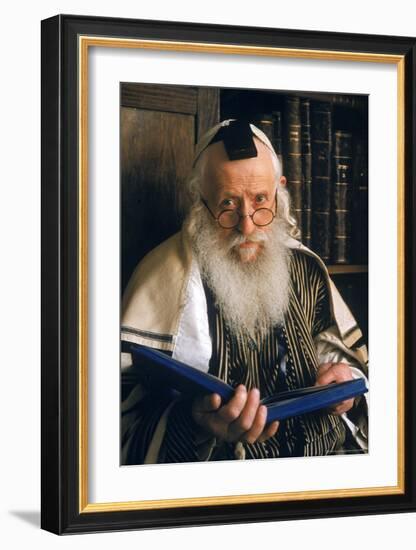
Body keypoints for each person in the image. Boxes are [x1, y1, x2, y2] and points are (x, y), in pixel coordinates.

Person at [121, 119, 368, 464]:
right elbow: (118, 416)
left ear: (279, 192)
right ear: (199, 200)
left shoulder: (306, 267)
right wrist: (195, 422)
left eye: (260, 200)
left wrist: (347, 384)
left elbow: (347, 363)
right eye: (227, 204)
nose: (247, 224)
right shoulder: (162, 275)